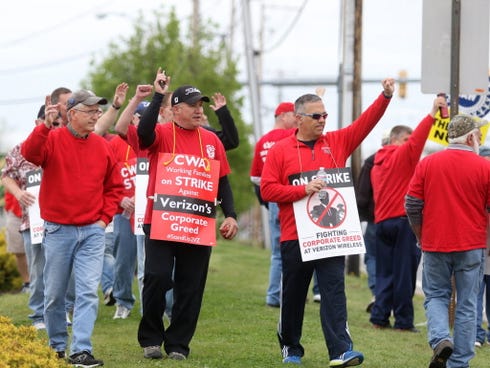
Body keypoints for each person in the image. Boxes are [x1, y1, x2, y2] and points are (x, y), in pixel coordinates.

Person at [260, 78, 395, 366]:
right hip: (294, 236)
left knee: (334, 291)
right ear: (298, 119)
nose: (323, 120)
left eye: (325, 115)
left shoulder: (336, 142)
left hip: (331, 236)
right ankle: (291, 348)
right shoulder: (280, 150)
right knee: (294, 295)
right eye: (316, 116)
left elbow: (365, 123)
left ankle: (341, 350)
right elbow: (267, 189)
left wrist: (384, 96)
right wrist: (301, 190)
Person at [136, 69, 239, 361]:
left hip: (196, 223)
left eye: (201, 105)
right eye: (193, 105)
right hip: (160, 220)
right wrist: (157, 95)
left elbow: (223, 182)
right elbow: (143, 134)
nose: (199, 110)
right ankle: (151, 338)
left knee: (190, 285)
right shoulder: (161, 133)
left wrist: (230, 215)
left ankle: (179, 343)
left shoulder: (211, 140)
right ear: (175, 110)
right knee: (156, 277)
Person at [21, 89, 124, 367]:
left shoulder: (102, 146)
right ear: (73, 113)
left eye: (97, 111)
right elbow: (30, 154)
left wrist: (104, 220)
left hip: (92, 231)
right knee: (54, 295)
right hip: (58, 231)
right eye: (90, 111)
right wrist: (44, 126)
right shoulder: (52, 138)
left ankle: (81, 350)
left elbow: (115, 187)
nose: (96, 116)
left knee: (88, 291)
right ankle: (56, 346)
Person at [405, 114, 490, 368]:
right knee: (467, 303)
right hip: (471, 244)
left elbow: (411, 204)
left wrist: (421, 235)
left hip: (435, 243)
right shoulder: (485, 167)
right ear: (471, 137)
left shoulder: (428, 164)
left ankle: (441, 339)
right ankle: (459, 363)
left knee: (436, 297)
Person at [369, 95, 445, 332]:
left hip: (380, 223)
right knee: (404, 275)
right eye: (406, 139)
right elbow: (419, 140)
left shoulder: (376, 162)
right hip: (402, 223)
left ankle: (379, 317)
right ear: (395, 140)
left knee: (384, 273)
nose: (410, 143)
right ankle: (403, 321)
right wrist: (432, 113)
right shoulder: (402, 157)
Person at [1, 102, 64, 330]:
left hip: (64, 219)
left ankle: (62, 311)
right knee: (37, 269)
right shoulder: (20, 149)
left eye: (59, 123)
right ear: (38, 122)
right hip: (33, 221)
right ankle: (38, 315)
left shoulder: (66, 145)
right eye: (52, 122)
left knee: (62, 268)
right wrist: (18, 193)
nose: (56, 127)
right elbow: (6, 175)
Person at [250, 101, 297, 308]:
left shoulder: (262, 142)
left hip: (272, 199)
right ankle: (294, 294)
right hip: (291, 196)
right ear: (283, 115)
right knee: (298, 248)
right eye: (294, 115)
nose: (297, 119)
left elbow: (255, 178)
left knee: (277, 252)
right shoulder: (292, 135)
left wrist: (266, 202)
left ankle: (273, 296)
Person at [355, 133, 389, 313]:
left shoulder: (372, 161)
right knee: (394, 260)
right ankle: (391, 297)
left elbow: (362, 194)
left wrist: (361, 215)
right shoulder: (407, 160)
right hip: (399, 219)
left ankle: (378, 292)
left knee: (373, 257)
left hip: (376, 218)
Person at [475, 145, 490, 347]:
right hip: (477, 245)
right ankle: (477, 333)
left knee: (473, 293)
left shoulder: (475, 179)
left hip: (477, 244)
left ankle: (477, 334)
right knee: (474, 293)